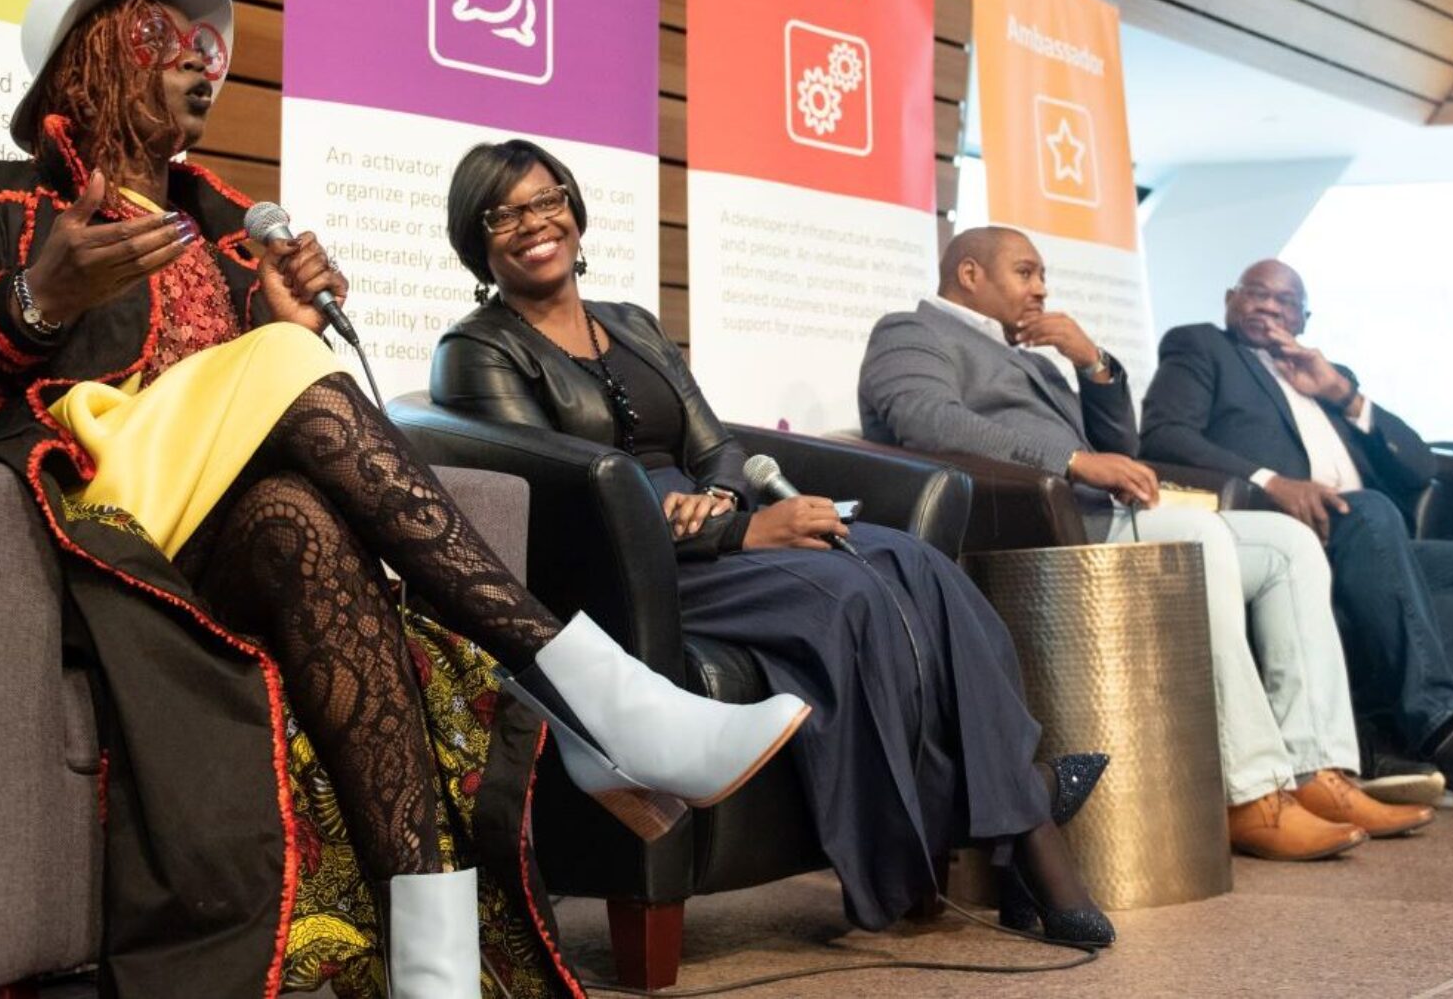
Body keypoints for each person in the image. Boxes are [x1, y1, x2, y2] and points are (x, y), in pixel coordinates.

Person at [0, 0, 807, 999]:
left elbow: (245, 419)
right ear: (93, 53)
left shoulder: (224, 231)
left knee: (303, 523)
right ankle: (596, 698)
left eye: (215, 50)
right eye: (170, 40)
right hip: (101, 516)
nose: (205, 66)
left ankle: (434, 970)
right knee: (299, 368)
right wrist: (33, 300)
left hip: (217, 523)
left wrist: (275, 327)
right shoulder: (3, 200)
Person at [430, 141, 1113, 945]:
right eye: (503, 214)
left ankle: (1025, 830)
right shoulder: (476, 350)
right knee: (852, 593)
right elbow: (559, 491)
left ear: (575, 211)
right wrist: (739, 528)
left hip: (709, 532)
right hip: (626, 571)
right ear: (475, 241)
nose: (533, 224)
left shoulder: (633, 325)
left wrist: (720, 496)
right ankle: (1030, 822)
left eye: (547, 200)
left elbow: (713, 442)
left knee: (921, 566)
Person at [859, 227, 1431, 862]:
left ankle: (1315, 770)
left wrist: (1093, 364)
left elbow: (1122, 450)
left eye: (1043, 274)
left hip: (1096, 516)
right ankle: (1249, 793)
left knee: (1288, 545)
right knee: (1196, 534)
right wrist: (1072, 460)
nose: (1042, 288)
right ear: (969, 274)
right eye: (1026, 272)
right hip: (1027, 529)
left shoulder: (1034, 357)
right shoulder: (911, 332)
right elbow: (928, 422)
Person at [1141, 260, 1453, 813]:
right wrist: (1272, 484)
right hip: (1290, 532)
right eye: (1256, 293)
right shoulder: (1202, 348)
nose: (1269, 306)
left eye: (1285, 301)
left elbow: (1418, 466)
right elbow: (1164, 435)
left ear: (1304, 317)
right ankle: (1445, 734)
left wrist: (1343, 393)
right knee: (1368, 509)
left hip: (1371, 542)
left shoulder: (1325, 376)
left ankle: (1378, 736)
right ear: (1228, 298)